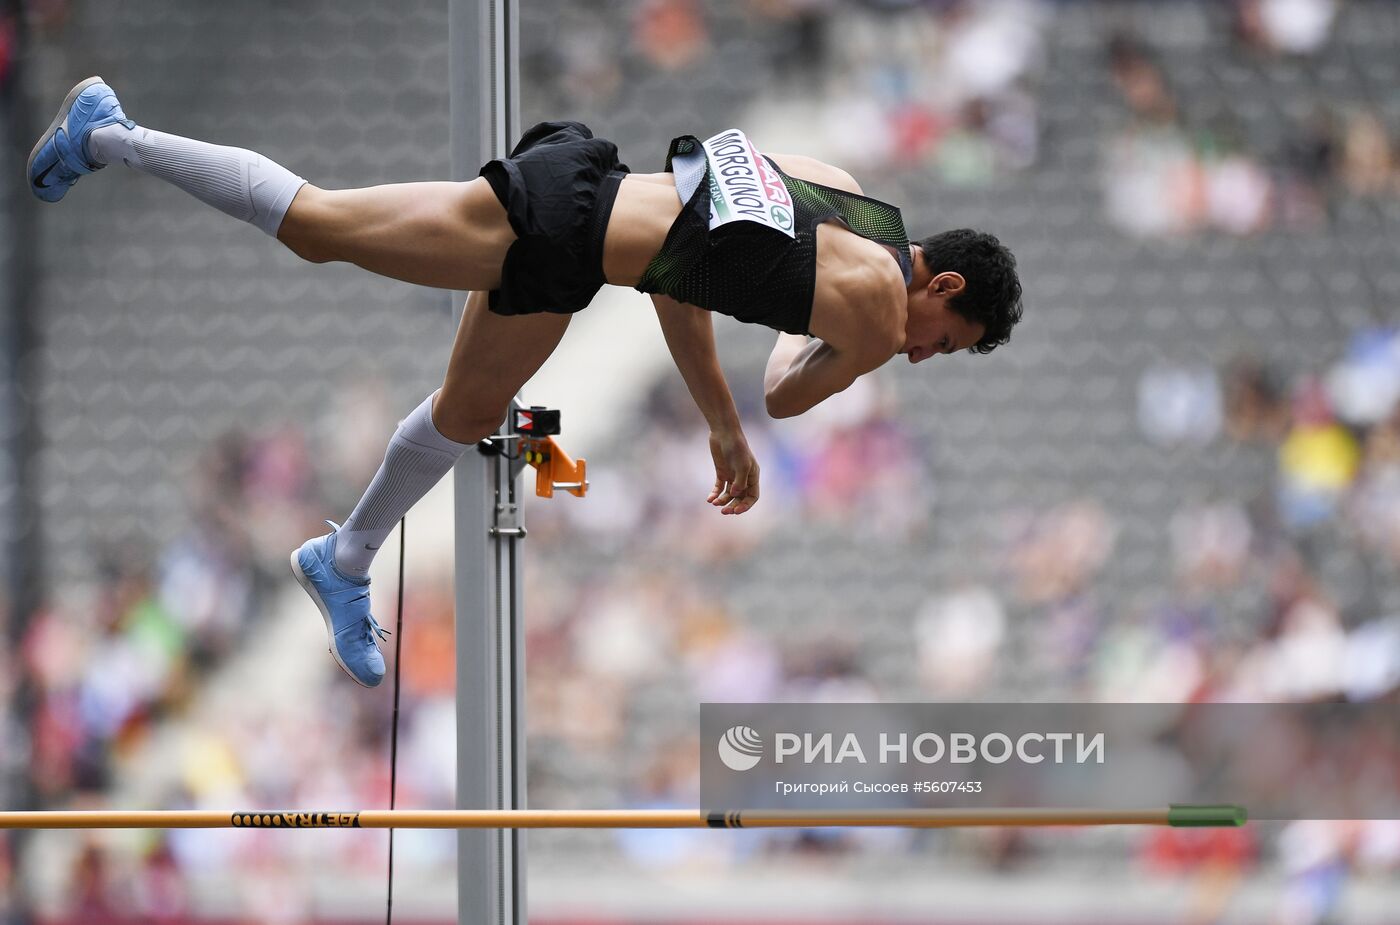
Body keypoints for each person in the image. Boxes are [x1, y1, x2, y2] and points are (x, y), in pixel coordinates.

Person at [29, 77, 1024, 688]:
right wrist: (736, 422)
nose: (919, 351)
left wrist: (773, 361)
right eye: (942, 335)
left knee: (468, 413)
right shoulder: (871, 309)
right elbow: (782, 396)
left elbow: (690, 251)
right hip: (560, 225)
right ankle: (110, 132)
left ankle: (343, 555)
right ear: (936, 283)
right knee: (320, 228)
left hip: (583, 235)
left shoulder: (839, 187)